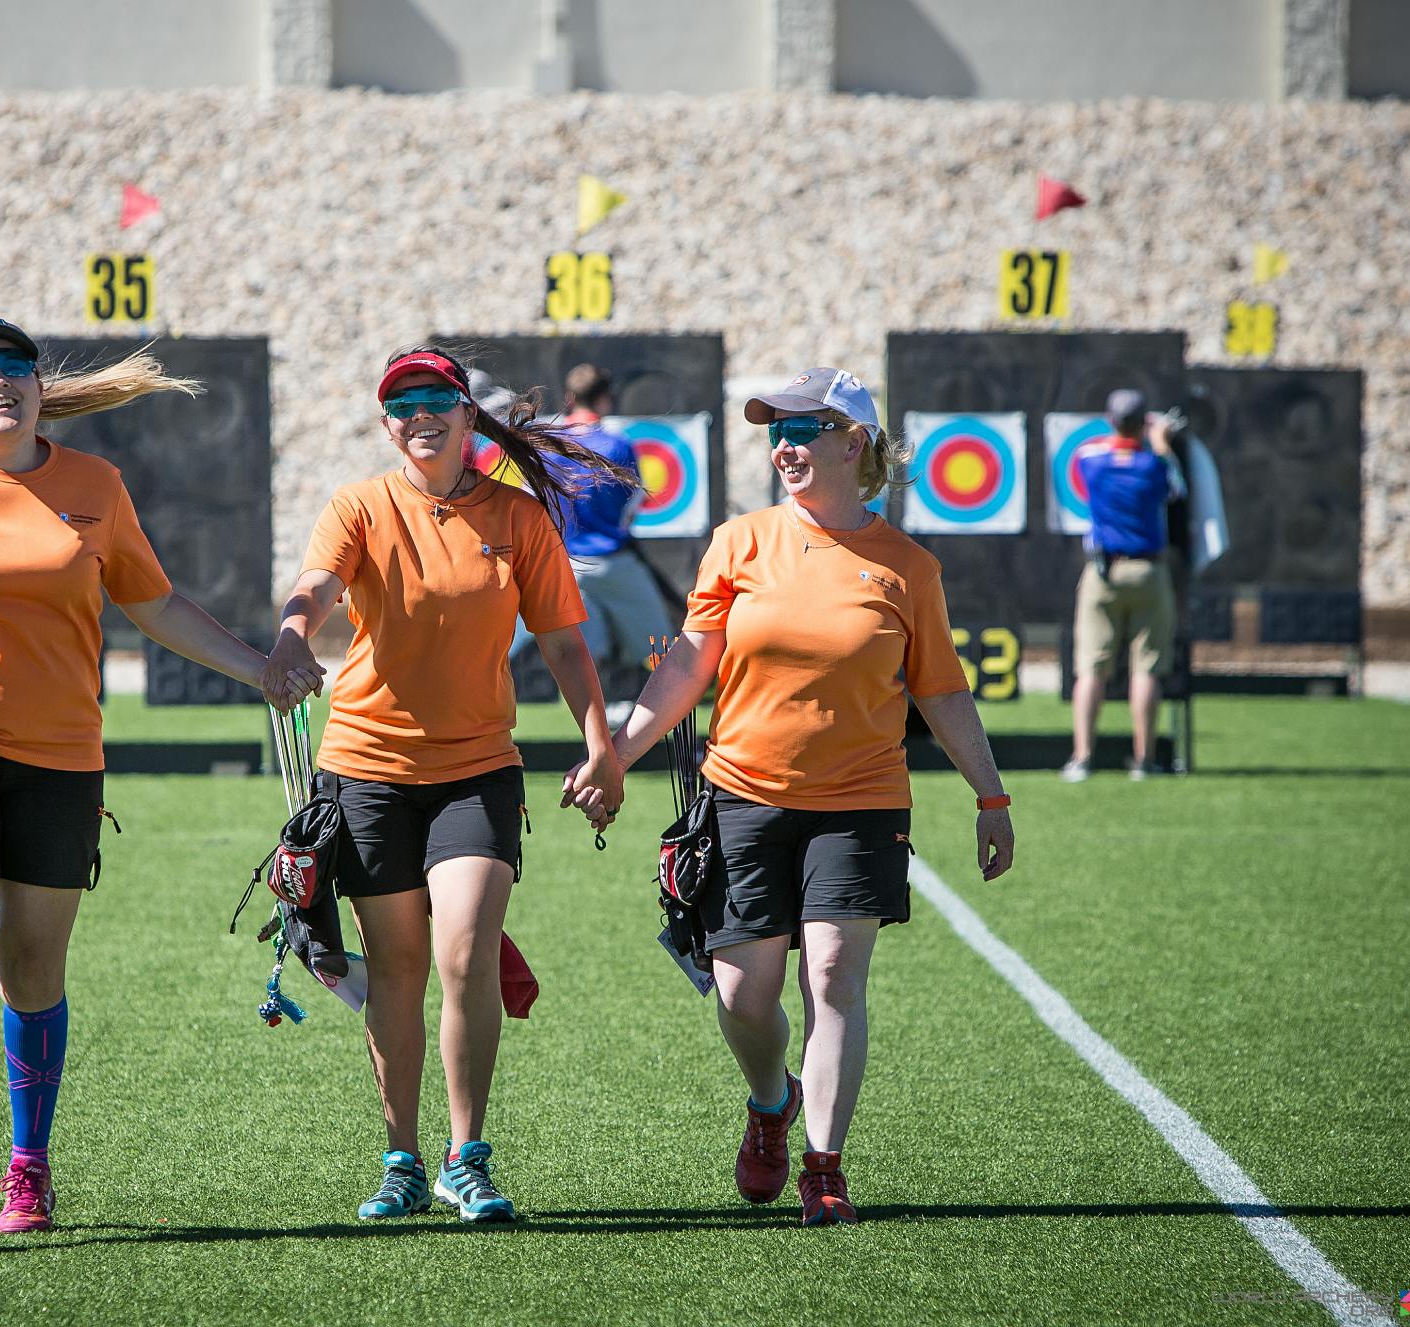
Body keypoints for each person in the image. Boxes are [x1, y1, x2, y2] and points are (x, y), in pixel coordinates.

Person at [0, 317, 313, 1234]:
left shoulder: (96, 487)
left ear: (40, 388)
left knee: (34, 967)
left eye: (15, 369)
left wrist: (261, 668)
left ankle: (29, 1169)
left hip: (62, 762)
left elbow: (156, 602)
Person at [567, 367, 1015, 1225]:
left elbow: (944, 693)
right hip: (742, 795)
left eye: (804, 428)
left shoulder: (910, 565)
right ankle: (771, 1101)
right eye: (776, 430)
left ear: (855, 442)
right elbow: (687, 666)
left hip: (862, 800)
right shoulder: (738, 542)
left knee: (835, 975)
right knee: (742, 992)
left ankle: (824, 1165)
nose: (785, 444)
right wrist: (614, 754)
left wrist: (989, 796)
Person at [261, 345, 626, 1224]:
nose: (418, 412)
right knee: (397, 967)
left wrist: (602, 744)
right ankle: (402, 1159)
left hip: (477, 770)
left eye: (436, 398)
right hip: (365, 769)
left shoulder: (519, 517)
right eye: (400, 402)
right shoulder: (359, 503)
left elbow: (567, 643)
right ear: (388, 425)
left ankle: (467, 1157)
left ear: (468, 418)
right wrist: (289, 633)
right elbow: (317, 585)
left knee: (465, 950)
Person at [505, 364, 673, 718]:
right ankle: (673, 711)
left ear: (570, 398)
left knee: (584, 651)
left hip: (564, 563)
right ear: (604, 397)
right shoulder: (617, 444)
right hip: (612, 561)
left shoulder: (545, 444)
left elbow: (527, 499)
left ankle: (591, 729)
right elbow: (633, 503)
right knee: (662, 646)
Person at [1063, 387, 1186, 782]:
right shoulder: (1154, 465)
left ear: (1110, 420)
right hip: (1149, 572)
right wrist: (1161, 442)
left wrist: (1130, 430)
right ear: (1142, 424)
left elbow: (1091, 446)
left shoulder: (1090, 459)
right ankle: (1145, 760)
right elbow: (1176, 490)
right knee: (1146, 669)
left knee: (1090, 669)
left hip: (1103, 573)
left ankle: (1082, 759)